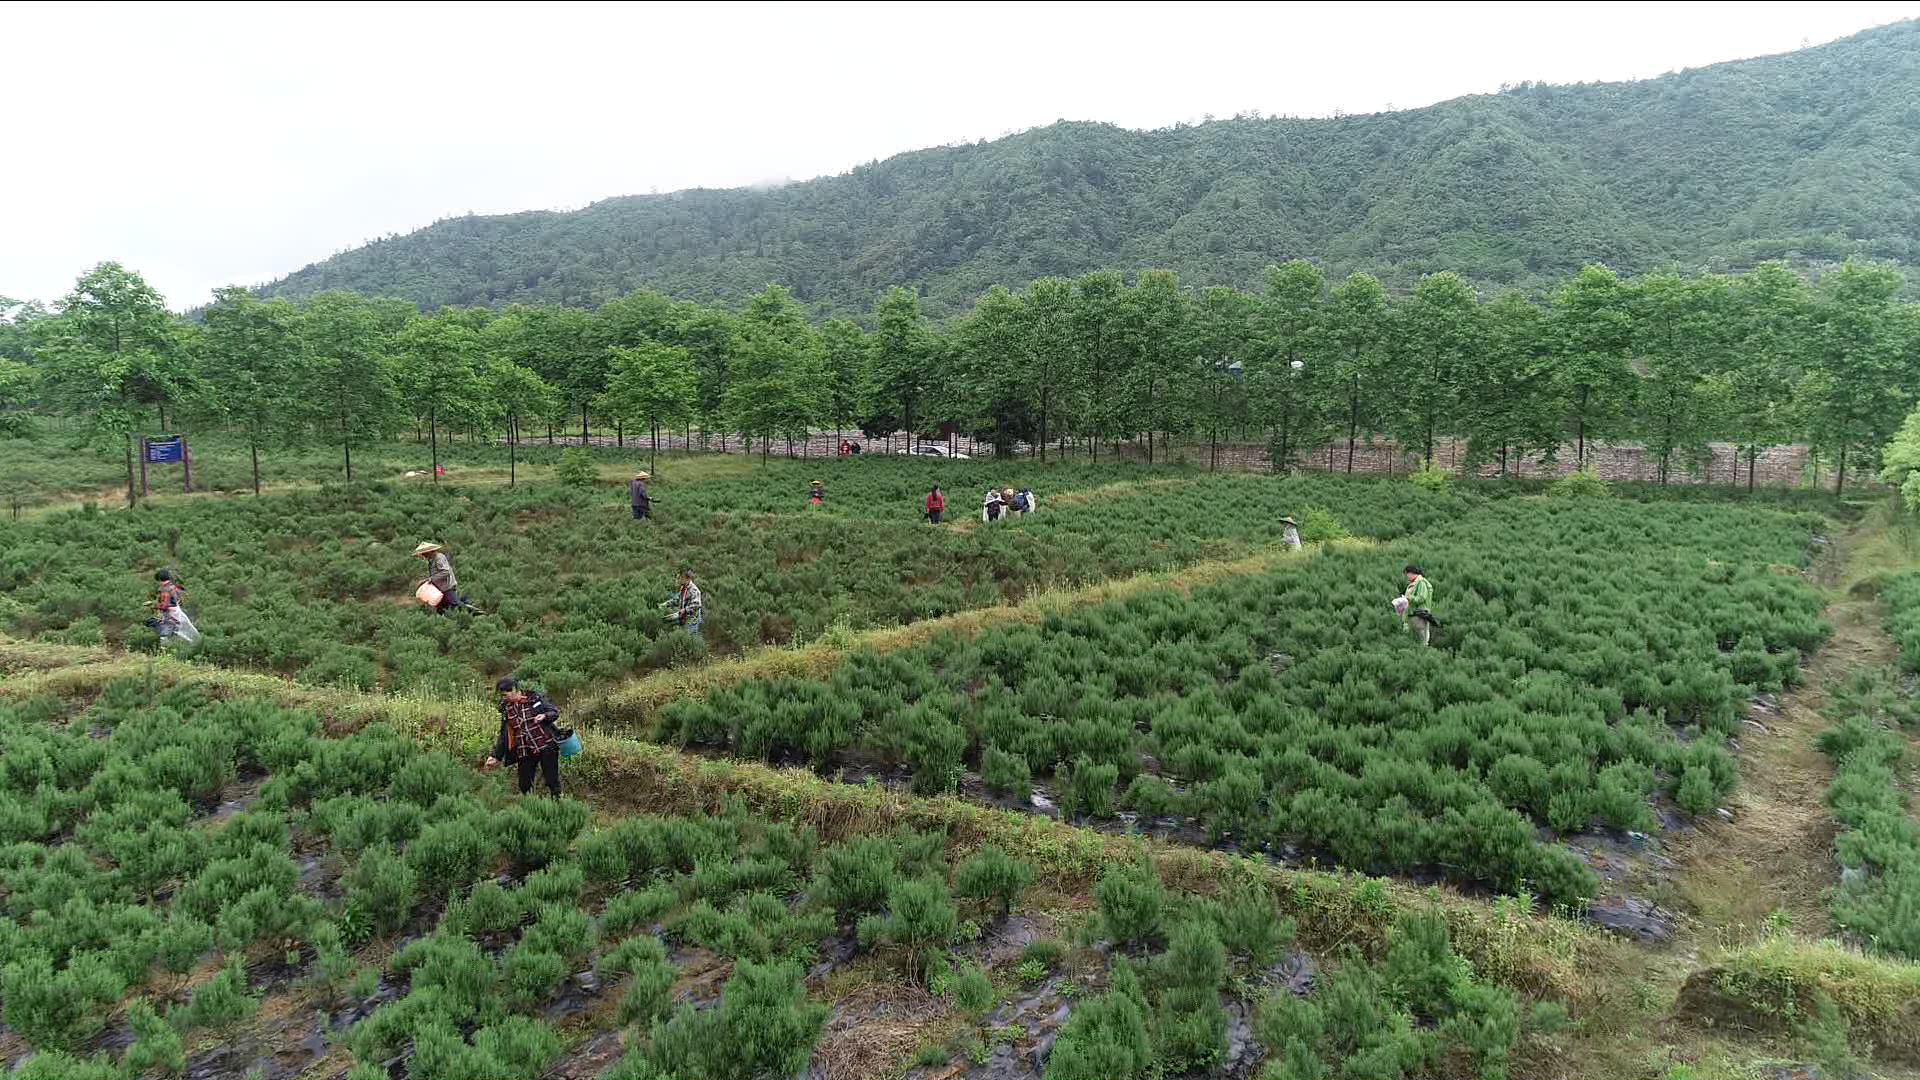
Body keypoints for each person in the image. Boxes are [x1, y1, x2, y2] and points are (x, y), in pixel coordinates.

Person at [485, 677, 567, 797]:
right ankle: (532, 807)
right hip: (524, 749)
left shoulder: (535, 698)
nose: (505, 696)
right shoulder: (507, 709)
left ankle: (559, 805)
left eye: (507, 692)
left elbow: (554, 712)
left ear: (516, 689)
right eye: (502, 694)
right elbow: (505, 734)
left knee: (552, 780)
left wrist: (544, 716)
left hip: (546, 744)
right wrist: (496, 756)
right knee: (524, 784)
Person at [413, 541, 474, 614]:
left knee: (456, 605)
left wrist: (431, 579)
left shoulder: (439, 558)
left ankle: (474, 611)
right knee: (444, 608)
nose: (423, 555)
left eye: (424, 553)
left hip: (447, 587)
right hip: (441, 588)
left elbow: (445, 572)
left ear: (430, 551)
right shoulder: (432, 559)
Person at [144, 568, 200, 644]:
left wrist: (152, 605)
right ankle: (197, 645)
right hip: (178, 612)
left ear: (160, 579)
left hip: (171, 615)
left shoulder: (165, 590)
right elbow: (178, 600)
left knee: (165, 635)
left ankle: (167, 651)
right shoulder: (173, 586)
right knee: (185, 632)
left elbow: (164, 606)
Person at [1401, 564, 1437, 646]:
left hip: (1419, 615)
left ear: (1411, 573)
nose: (1407, 577)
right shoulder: (1414, 583)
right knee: (1417, 639)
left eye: (1407, 574)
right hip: (1413, 614)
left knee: (1421, 639)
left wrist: (1408, 597)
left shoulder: (1421, 582)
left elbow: (1421, 597)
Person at [663, 567, 703, 633]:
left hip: (691, 622)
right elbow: (677, 600)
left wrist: (685, 610)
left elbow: (697, 605)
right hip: (683, 620)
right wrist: (665, 604)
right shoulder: (683, 588)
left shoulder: (694, 590)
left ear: (686, 578)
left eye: (681, 578)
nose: (679, 580)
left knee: (689, 639)